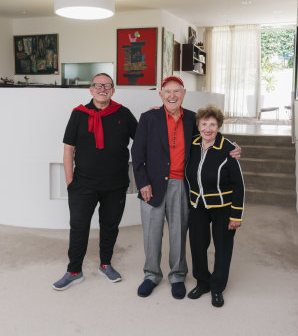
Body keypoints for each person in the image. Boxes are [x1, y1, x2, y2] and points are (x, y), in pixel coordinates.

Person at [131, 76, 241, 299]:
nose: (172, 95)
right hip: (151, 185)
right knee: (151, 235)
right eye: (167, 91)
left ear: (184, 94)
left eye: (177, 91)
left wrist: (234, 147)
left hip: (182, 185)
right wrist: (142, 183)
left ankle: (178, 275)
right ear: (161, 95)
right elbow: (137, 153)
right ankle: (151, 275)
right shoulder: (148, 117)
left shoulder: (193, 119)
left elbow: (211, 134)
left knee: (178, 234)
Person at [52, 73, 137, 291]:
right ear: (91, 90)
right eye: (98, 85)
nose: (102, 89)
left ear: (113, 90)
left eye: (107, 86)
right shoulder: (78, 115)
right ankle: (74, 271)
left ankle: (105, 264)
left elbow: (143, 139)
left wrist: (156, 116)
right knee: (79, 227)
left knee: (110, 227)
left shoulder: (123, 114)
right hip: (83, 185)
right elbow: (68, 149)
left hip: (115, 185)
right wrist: (70, 181)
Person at [185, 105, 245, 308]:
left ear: (219, 126)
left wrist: (236, 215)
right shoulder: (192, 144)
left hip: (223, 208)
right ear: (198, 126)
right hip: (198, 206)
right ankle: (202, 282)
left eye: (212, 124)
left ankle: (217, 288)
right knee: (197, 245)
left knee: (223, 248)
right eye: (204, 124)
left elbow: (239, 185)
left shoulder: (229, 149)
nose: (208, 129)